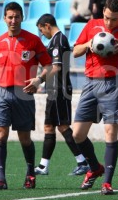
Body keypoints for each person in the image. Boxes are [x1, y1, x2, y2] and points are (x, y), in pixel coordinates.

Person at [72, 0, 118, 195]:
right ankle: (95, 168)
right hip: (90, 83)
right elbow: (75, 51)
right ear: (103, 11)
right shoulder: (92, 25)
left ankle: (107, 182)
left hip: (114, 84)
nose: (109, 23)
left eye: (114, 19)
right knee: (77, 134)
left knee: (110, 133)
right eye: (106, 18)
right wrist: (89, 43)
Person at [0, 2, 52, 190]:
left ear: (22, 18)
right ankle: (1, 178)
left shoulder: (33, 40)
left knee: (24, 138)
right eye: (10, 17)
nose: (13, 20)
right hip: (1, 93)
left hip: (23, 94)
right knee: (1, 136)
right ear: (4, 19)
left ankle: (30, 174)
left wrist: (39, 80)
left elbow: (49, 66)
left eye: (17, 17)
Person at [34, 14, 90, 176]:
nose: (41, 34)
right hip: (53, 90)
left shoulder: (59, 40)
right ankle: (44, 166)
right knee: (49, 127)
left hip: (60, 89)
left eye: (41, 30)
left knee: (63, 126)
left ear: (46, 25)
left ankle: (83, 161)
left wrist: (39, 79)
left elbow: (57, 67)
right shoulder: (54, 41)